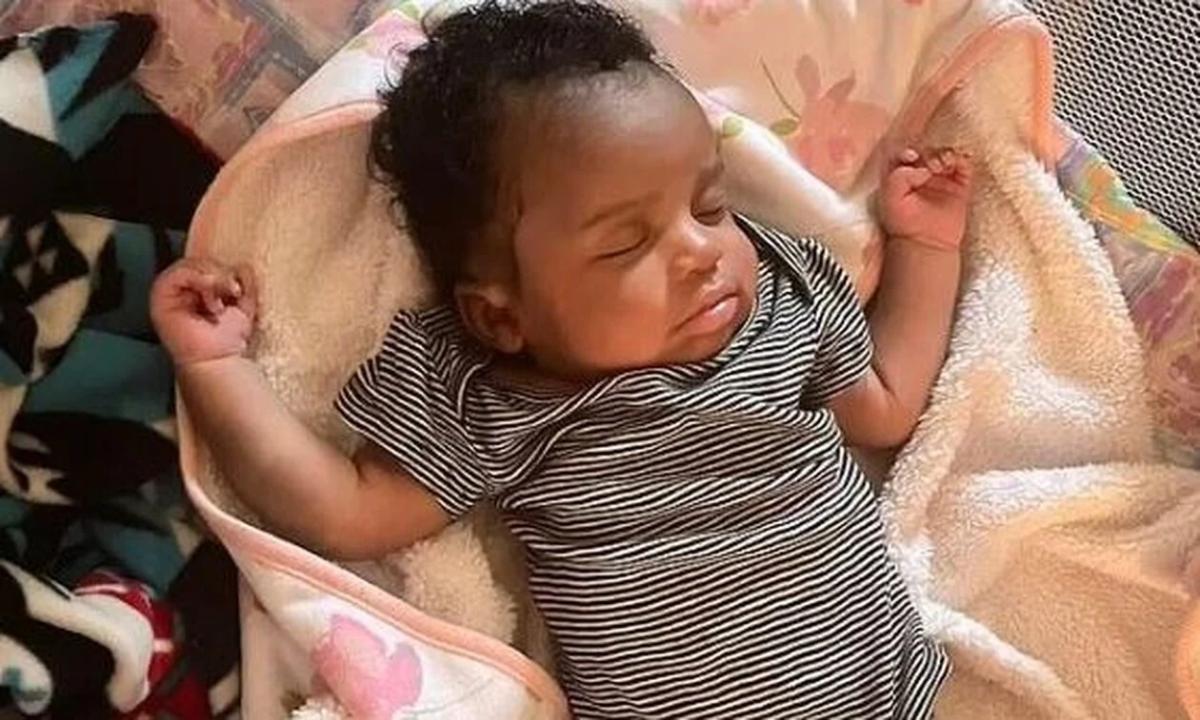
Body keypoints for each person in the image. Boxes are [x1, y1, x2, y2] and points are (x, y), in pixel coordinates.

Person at [150, 2, 973, 717]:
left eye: (709, 205)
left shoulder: (778, 301)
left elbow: (888, 403)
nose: (702, 252)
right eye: (626, 245)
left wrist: (926, 246)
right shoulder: (492, 396)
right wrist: (218, 369)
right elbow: (343, 512)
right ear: (501, 316)